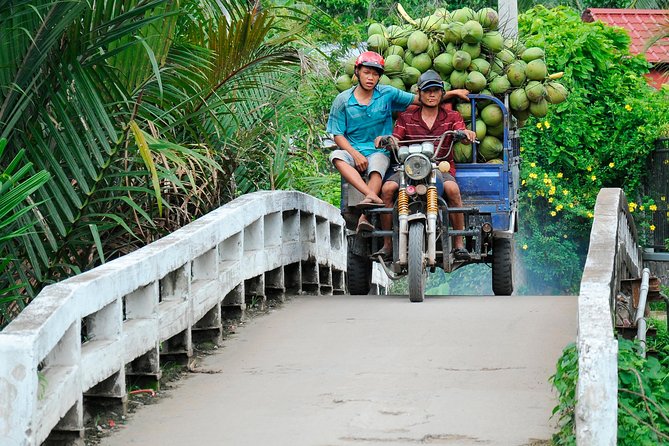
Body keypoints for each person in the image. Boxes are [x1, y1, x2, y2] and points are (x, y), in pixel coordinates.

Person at [326, 52, 468, 233]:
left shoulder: (387, 93)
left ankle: (458, 241)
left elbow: (421, 99)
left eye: (375, 74)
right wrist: (358, 152)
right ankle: (373, 205)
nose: (370, 78)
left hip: (381, 153)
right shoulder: (343, 100)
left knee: (377, 165)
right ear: (357, 72)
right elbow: (337, 134)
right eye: (366, 72)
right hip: (358, 151)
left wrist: (452, 93)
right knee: (337, 156)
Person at [376, 69, 477, 260]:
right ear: (419, 94)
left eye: (436, 91)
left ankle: (458, 243)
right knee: (388, 189)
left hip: (439, 168)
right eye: (427, 91)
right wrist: (386, 139)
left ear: (441, 94)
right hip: (408, 169)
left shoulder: (452, 116)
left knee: (453, 190)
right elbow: (396, 138)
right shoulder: (406, 117)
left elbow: (461, 133)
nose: (431, 94)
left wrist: (467, 135)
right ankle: (388, 243)